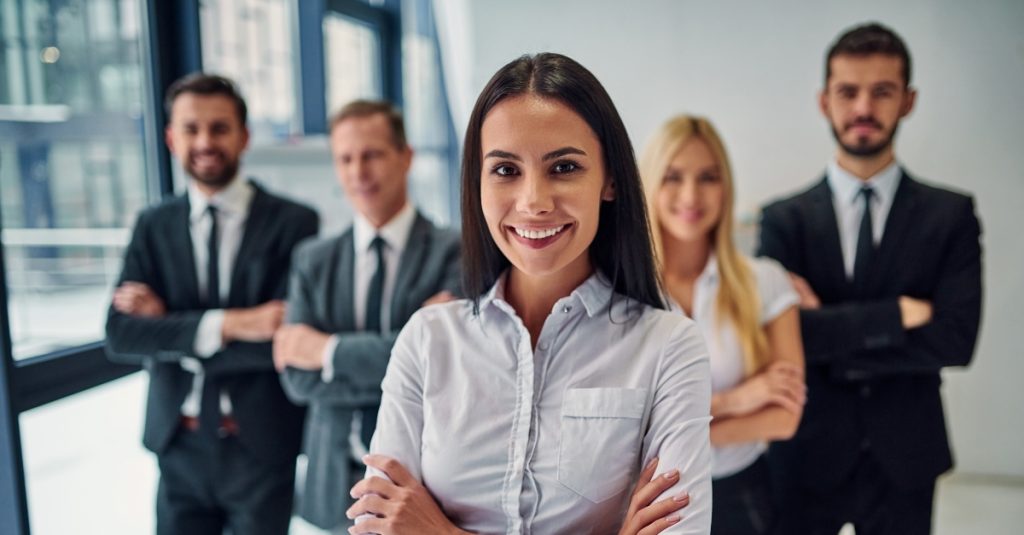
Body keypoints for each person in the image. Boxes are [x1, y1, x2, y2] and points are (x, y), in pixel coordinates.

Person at [345, 53, 713, 534]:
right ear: (477, 182)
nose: (534, 201)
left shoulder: (668, 345)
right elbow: (380, 525)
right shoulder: (427, 341)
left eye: (563, 167)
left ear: (610, 180)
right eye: (505, 170)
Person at [758, 22, 983, 534]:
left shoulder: (951, 215)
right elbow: (781, 342)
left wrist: (825, 330)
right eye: (848, 92)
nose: (863, 108)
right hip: (805, 452)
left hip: (906, 457)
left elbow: (955, 338)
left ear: (907, 101)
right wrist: (899, 315)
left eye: (882, 92)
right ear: (823, 101)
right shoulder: (782, 220)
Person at [105, 73, 319, 534]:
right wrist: (237, 322)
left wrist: (169, 327)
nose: (205, 142)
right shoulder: (152, 225)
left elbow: (282, 342)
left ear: (244, 136)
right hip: (177, 444)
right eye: (191, 129)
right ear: (170, 138)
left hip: (259, 445)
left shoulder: (294, 222)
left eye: (219, 128)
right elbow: (121, 334)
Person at [272, 99, 461, 533]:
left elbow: (446, 367)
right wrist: (406, 344)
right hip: (330, 487)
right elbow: (297, 380)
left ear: (406, 157)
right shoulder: (312, 260)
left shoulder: (458, 250)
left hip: (424, 485)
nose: (359, 172)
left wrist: (327, 351)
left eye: (372, 154)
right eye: (346, 158)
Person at [639, 115, 805, 534]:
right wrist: (738, 400)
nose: (691, 194)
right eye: (673, 177)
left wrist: (676, 427)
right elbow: (630, 426)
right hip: (650, 503)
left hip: (743, 496)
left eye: (708, 177)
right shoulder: (623, 293)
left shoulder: (765, 281)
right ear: (650, 183)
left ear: (725, 186)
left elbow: (783, 418)